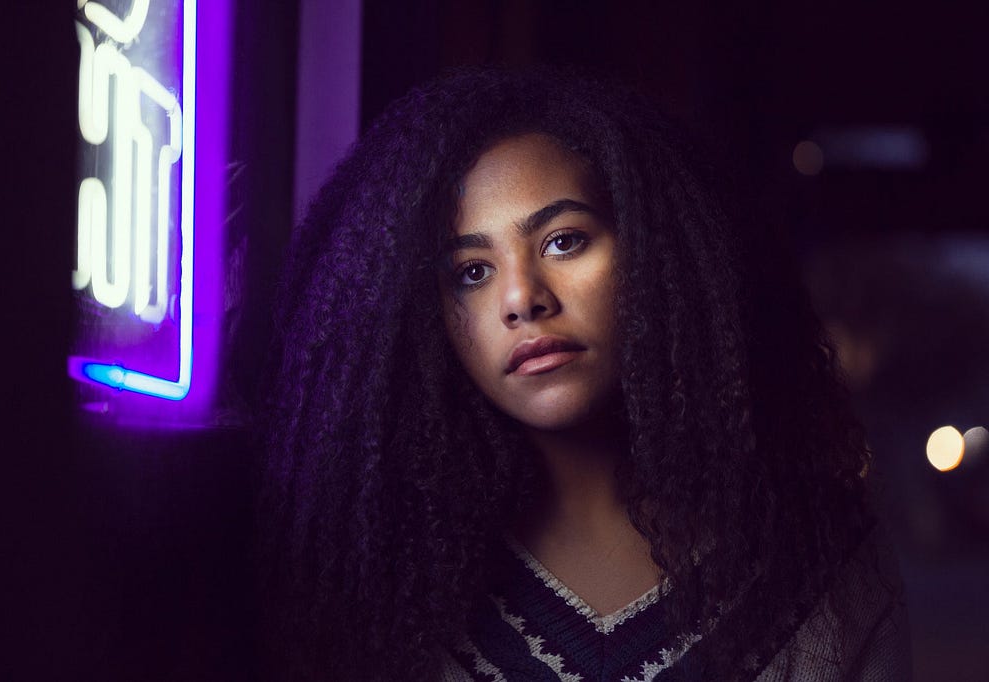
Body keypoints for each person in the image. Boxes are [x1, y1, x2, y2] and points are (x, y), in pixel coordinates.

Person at [257, 67, 910, 681]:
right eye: (471, 272)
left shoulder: (827, 568)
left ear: (658, 248)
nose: (522, 298)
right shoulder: (382, 589)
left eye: (563, 240)